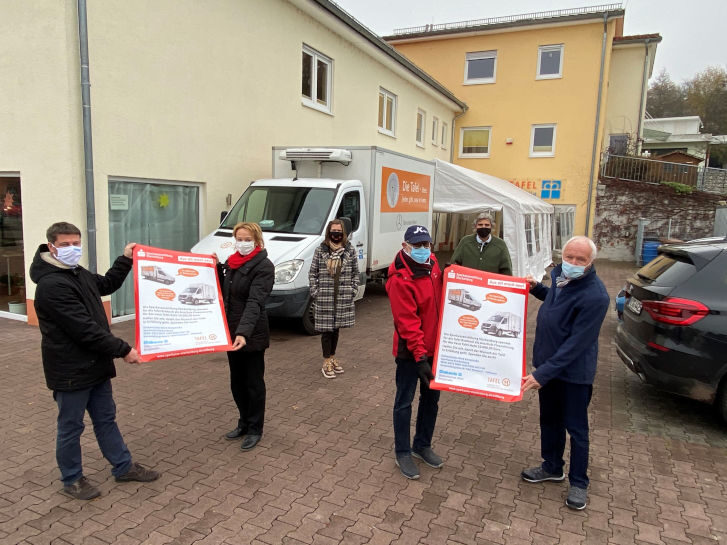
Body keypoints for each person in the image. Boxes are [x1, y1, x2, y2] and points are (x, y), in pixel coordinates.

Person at [30, 222, 160, 501]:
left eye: (76, 243)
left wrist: (125, 259)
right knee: (71, 426)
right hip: (70, 369)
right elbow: (83, 329)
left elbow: (106, 284)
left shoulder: (77, 273)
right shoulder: (52, 285)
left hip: (95, 365)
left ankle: (123, 467)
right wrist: (124, 349)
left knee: (105, 418)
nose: (72, 249)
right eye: (65, 245)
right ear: (51, 247)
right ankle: (72, 479)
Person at [520, 235, 609, 511]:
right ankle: (552, 467)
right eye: (568, 257)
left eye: (579, 259)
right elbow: (555, 299)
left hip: (573, 375)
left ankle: (579, 482)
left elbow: (576, 345)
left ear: (590, 262)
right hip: (549, 368)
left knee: (576, 429)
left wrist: (541, 374)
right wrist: (537, 288)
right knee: (549, 420)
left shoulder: (596, 296)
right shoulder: (561, 276)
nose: (572, 262)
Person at [386, 225, 443, 480]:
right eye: (417, 245)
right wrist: (420, 355)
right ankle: (403, 451)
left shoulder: (433, 264)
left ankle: (422, 444)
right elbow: (407, 321)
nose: (422, 250)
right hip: (412, 352)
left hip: (436, 348)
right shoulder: (400, 278)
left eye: (426, 244)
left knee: (431, 400)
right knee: (405, 401)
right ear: (405, 246)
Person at [217, 222, 275, 451]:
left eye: (246, 239)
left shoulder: (264, 266)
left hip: (251, 334)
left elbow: (254, 302)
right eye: (238, 239)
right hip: (231, 333)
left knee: (253, 383)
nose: (242, 243)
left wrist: (243, 332)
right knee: (237, 382)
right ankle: (243, 421)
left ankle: (255, 428)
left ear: (257, 241)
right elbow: (224, 292)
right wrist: (212, 267)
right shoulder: (232, 264)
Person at [308, 219, 359, 379]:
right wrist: (315, 291)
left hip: (342, 297)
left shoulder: (349, 251)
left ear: (343, 233)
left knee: (336, 329)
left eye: (338, 231)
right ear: (328, 232)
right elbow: (312, 273)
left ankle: (332, 356)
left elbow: (355, 273)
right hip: (325, 297)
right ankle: (326, 360)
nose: (335, 234)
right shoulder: (320, 250)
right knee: (326, 330)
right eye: (333, 231)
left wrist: (353, 289)